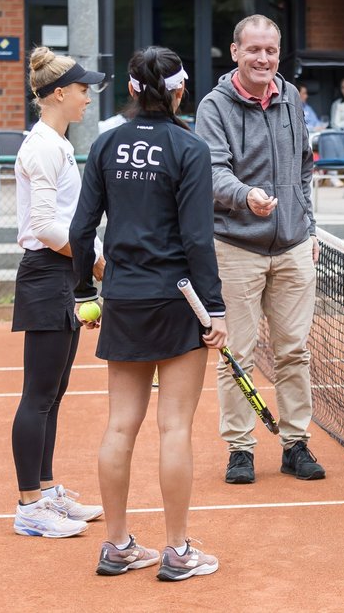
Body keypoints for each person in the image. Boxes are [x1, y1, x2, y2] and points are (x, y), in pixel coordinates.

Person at [70, 46, 227, 580]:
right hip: (179, 300)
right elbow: (198, 240)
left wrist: (82, 295)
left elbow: (80, 229)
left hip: (124, 298)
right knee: (175, 427)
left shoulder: (106, 143)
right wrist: (216, 309)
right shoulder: (189, 147)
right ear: (181, 90)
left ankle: (116, 546)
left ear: (131, 90)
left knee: (120, 425)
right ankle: (177, 551)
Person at [196, 14, 324, 487]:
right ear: (235, 52)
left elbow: (305, 170)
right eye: (254, 50)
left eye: (271, 50)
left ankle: (296, 444)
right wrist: (245, 196)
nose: (263, 58)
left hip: (293, 245)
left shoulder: (290, 97)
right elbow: (213, 172)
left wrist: (310, 229)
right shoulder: (214, 106)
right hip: (236, 247)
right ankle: (241, 449)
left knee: (295, 351)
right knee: (238, 355)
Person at [9, 47, 107, 539]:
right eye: (83, 89)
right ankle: (29, 505)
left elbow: (65, 221)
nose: (88, 97)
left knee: (54, 393)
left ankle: (46, 491)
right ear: (60, 93)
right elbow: (45, 225)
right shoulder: (44, 147)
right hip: (48, 272)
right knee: (39, 395)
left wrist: (86, 273)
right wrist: (94, 262)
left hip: (61, 274)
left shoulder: (57, 143)